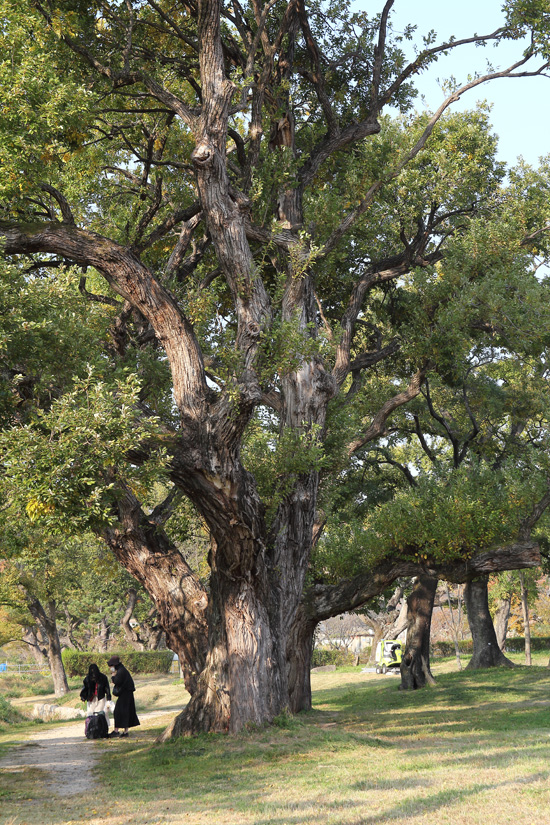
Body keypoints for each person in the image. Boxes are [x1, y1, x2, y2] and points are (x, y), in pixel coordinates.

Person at [106, 655, 140, 738]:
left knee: (119, 712)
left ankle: (118, 731)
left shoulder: (121, 671)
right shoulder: (122, 669)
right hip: (127, 694)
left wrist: (113, 676)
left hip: (125, 695)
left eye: (111, 666)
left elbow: (117, 681)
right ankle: (124, 731)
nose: (111, 668)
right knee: (125, 712)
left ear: (114, 665)